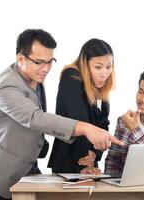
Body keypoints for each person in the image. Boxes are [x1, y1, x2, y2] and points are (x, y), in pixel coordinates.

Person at [0, 29, 123, 200]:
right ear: (21, 59)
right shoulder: (6, 88)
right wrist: (85, 128)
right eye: (40, 62)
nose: (46, 68)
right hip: (4, 171)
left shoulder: (33, 76)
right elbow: (35, 118)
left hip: (29, 166)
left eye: (50, 61)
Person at [48, 38, 115, 175]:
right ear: (85, 63)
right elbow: (79, 122)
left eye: (109, 66)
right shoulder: (71, 77)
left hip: (89, 161)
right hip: (70, 159)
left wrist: (94, 154)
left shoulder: (100, 85)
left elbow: (103, 123)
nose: (104, 73)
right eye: (98, 67)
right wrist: (84, 161)